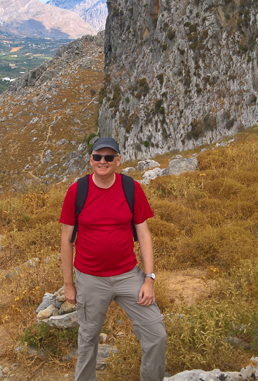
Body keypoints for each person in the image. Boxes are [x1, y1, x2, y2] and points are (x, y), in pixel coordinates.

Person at [59, 137, 166, 381]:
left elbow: (144, 233)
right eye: (98, 157)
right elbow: (66, 239)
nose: (103, 162)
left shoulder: (131, 188)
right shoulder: (78, 191)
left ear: (118, 160)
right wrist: (69, 284)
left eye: (109, 157)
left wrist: (149, 279)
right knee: (87, 340)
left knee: (156, 334)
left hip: (129, 275)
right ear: (91, 159)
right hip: (90, 278)